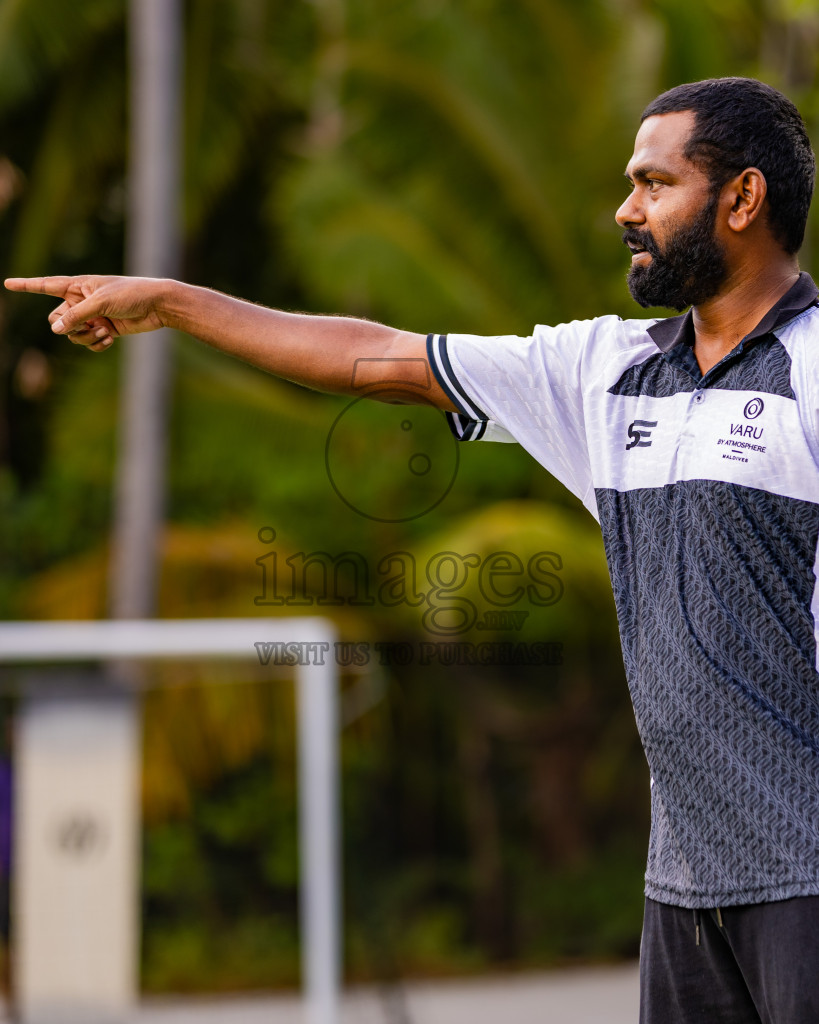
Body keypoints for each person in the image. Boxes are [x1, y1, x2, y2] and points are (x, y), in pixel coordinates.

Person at [6, 76, 819, 1023]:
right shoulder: (604, 371)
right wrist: (174, 304)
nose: (624, 209)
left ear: (742, 199)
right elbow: (377, 354)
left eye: (652, 183)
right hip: (681, 886)